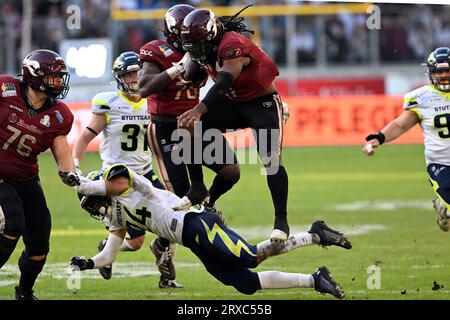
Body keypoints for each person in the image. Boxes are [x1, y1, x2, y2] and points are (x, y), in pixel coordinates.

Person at [71, 164, 352, 298]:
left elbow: (116, 183)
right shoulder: (117, 217)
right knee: (244, 283)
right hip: (191, 240)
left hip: (197, 223)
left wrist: (82, 184)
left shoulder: (129, 184)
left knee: (250, 257)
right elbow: (108, 254)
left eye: (94, 204)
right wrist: (88, 263)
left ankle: (315, 234)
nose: (97, 210)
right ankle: (315, 280)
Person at [177, 8, 291, 242]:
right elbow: (190, 75)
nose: (195, 50)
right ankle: (198, 188)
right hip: (235, 103)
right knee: (187, 125)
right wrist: (190, 59)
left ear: (211, 35)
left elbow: (223, 82)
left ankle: (281, 222)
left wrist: (199, 109)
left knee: (270, 159)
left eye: (197, 45)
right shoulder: (203, 50)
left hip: (262, 103)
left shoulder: (232, 43)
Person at [72, 51, 182, 288]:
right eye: (129, 74)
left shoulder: (152, 101)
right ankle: (107, 247)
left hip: (146, 173)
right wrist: (76, 167)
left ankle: (166, 273)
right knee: (136, 242)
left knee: (175, 213)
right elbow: (83, 139)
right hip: (119, 179)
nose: (134, 78)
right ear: (120, 78)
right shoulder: (109, 103)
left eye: (138, 73)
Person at [138, 4, 240, 221]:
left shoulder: (204, 50)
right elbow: (144, 88)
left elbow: (230, 78)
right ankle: (164, 244)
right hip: (165, 127)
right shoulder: (157, 51)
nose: (189, 40)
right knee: (179, 196)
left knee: (230, 172)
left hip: (194, 122)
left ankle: (209, 203)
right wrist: (175, 69)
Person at [0, 49, 79, 300]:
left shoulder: (59, 114)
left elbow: (61, 152)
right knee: (13, 220)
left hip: (26, 178)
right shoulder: (5, 89)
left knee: (39, 243)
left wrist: (73, 177)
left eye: (59, 78)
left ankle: (24, 292)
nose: (59, 82)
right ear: (34, 76)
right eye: (54, 77)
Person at [363, 47, 450, 232]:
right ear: (430, 73)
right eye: (438, 71)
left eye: (447, 71)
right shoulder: (423, 97)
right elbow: (401, 125)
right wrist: (380, 137)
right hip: (441, 162)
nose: (443, 75)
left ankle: (444, 208)